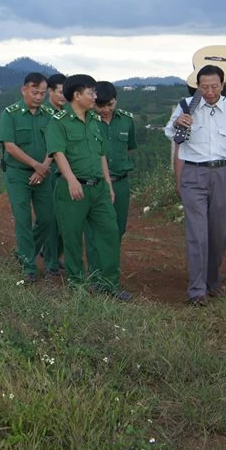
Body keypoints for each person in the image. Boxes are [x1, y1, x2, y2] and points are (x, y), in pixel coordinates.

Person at [164, 65, 226, 306]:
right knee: (197, 234)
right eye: (204, 87)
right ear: (197, 86)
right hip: (194, 174)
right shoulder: (186, 106)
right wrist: (177, 124)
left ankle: (213, 281)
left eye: (214, 86)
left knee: (221, 233)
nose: (209, 91)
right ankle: (196, 291)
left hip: (222, 175)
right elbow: (169, 132)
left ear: (223, 85)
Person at [45, 74, 132, 301]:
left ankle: (108, 284)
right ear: (77, 95)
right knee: (73, 238)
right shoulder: (59, 121)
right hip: (73, 189)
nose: (95, 96)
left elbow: (101, 154)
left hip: (99, 189)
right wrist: (72, 180)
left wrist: (107, 184)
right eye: (91, 92)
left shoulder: (94, 120)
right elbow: (58, 152)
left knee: (110, 234)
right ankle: (77, 286)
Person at [0, 72, 55, 281]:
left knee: (47, 218)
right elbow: (10, 146)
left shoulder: (48, 115)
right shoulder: (10, 114)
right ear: (24, 90)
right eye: (34, 92)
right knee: (22, 219)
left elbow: (54, 144)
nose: (39, 97)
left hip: (44, 174)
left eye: (42, 93)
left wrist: (44, 167)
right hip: (18, 175)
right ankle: (29, 267)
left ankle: (25, 253)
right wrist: (35, 165)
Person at [86, 81, 137, 270]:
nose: (106, 109)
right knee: (94, 230)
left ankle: (110, 270)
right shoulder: (88, 121)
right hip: (96, 183)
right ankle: (95, 274)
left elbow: (130, 148)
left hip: (121, 182)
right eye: (101, 105)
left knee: (118, 228)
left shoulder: (126, 120)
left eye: (110, 104)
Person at [40, 72, 68, 272]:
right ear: (50, 91)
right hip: (49, 171)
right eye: (60, 92)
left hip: (64, 173)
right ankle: (50, 259)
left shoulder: (67, 115)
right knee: (51, 218)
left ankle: (55, 254)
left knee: (63, 218)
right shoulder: (44, 114)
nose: (63, 96)